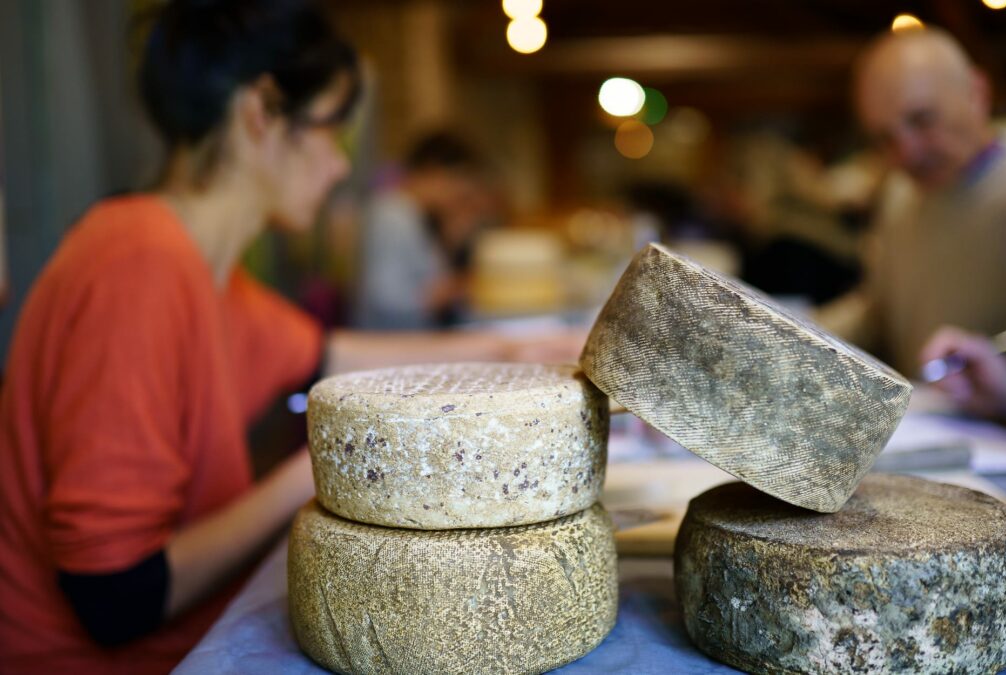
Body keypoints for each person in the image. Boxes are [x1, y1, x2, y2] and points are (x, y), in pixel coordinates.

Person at [0, 2, 577, 673]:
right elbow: (118, 597)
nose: (338, 167)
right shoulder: (139, 262)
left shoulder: (210, 274)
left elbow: (350, 357)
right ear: (261, 113)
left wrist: (526, 348)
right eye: (331, 132)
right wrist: (330, 464)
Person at [816, 27, 1006, 379]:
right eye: (884, 137)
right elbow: (878, 310)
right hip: (929, 422)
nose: (906, 154)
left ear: (977, 93)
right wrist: (796, 329)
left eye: (922, 120)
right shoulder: (899, 195)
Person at [357, 132, 492, 329]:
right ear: (435, 172)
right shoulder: (393, 214)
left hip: (408, 341)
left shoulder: (412, 214)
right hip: (394, 344)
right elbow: (386, 298)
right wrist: (451, 290)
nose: (458, 193)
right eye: (458, 181)